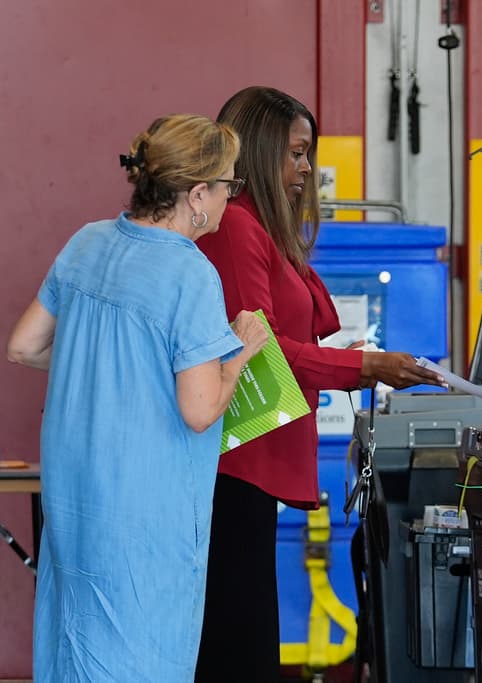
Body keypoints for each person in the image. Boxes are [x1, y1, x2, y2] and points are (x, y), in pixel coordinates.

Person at [6, 113, 270, 681]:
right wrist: (242, 350)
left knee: (74, 647)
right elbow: (199, 410)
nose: (230, 199)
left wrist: (106, 367)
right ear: (198, 194)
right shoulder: (189, 272)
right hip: (143, 515)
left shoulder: (88, 241)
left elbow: (25, 347)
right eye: (229, 186)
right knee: (139, 655)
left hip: (75, 503)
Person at [194, 85, 444, 680]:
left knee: (248, 631)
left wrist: (353, 359)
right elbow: (258, 349)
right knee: (238, 639)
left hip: (254, 459)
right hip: (233, 461)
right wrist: (366, 368)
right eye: (296, 153)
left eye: (309, 154)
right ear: (255, 152)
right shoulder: (236, 229)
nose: (308, 169)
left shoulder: (263, 229)